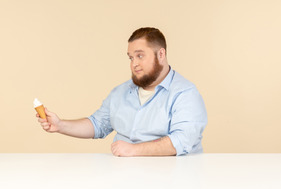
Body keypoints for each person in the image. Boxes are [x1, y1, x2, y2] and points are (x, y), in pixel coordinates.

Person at [36, 27, 207, 157]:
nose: (134, 64)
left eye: (140, 56)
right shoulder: (121, 92)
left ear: (161, 54)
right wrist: (60, 125)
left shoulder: (185, 93)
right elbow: (97, 125)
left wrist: (134, 150)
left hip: (172, 179)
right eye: (131, 57)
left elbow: (182, 140)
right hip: (123, 177)